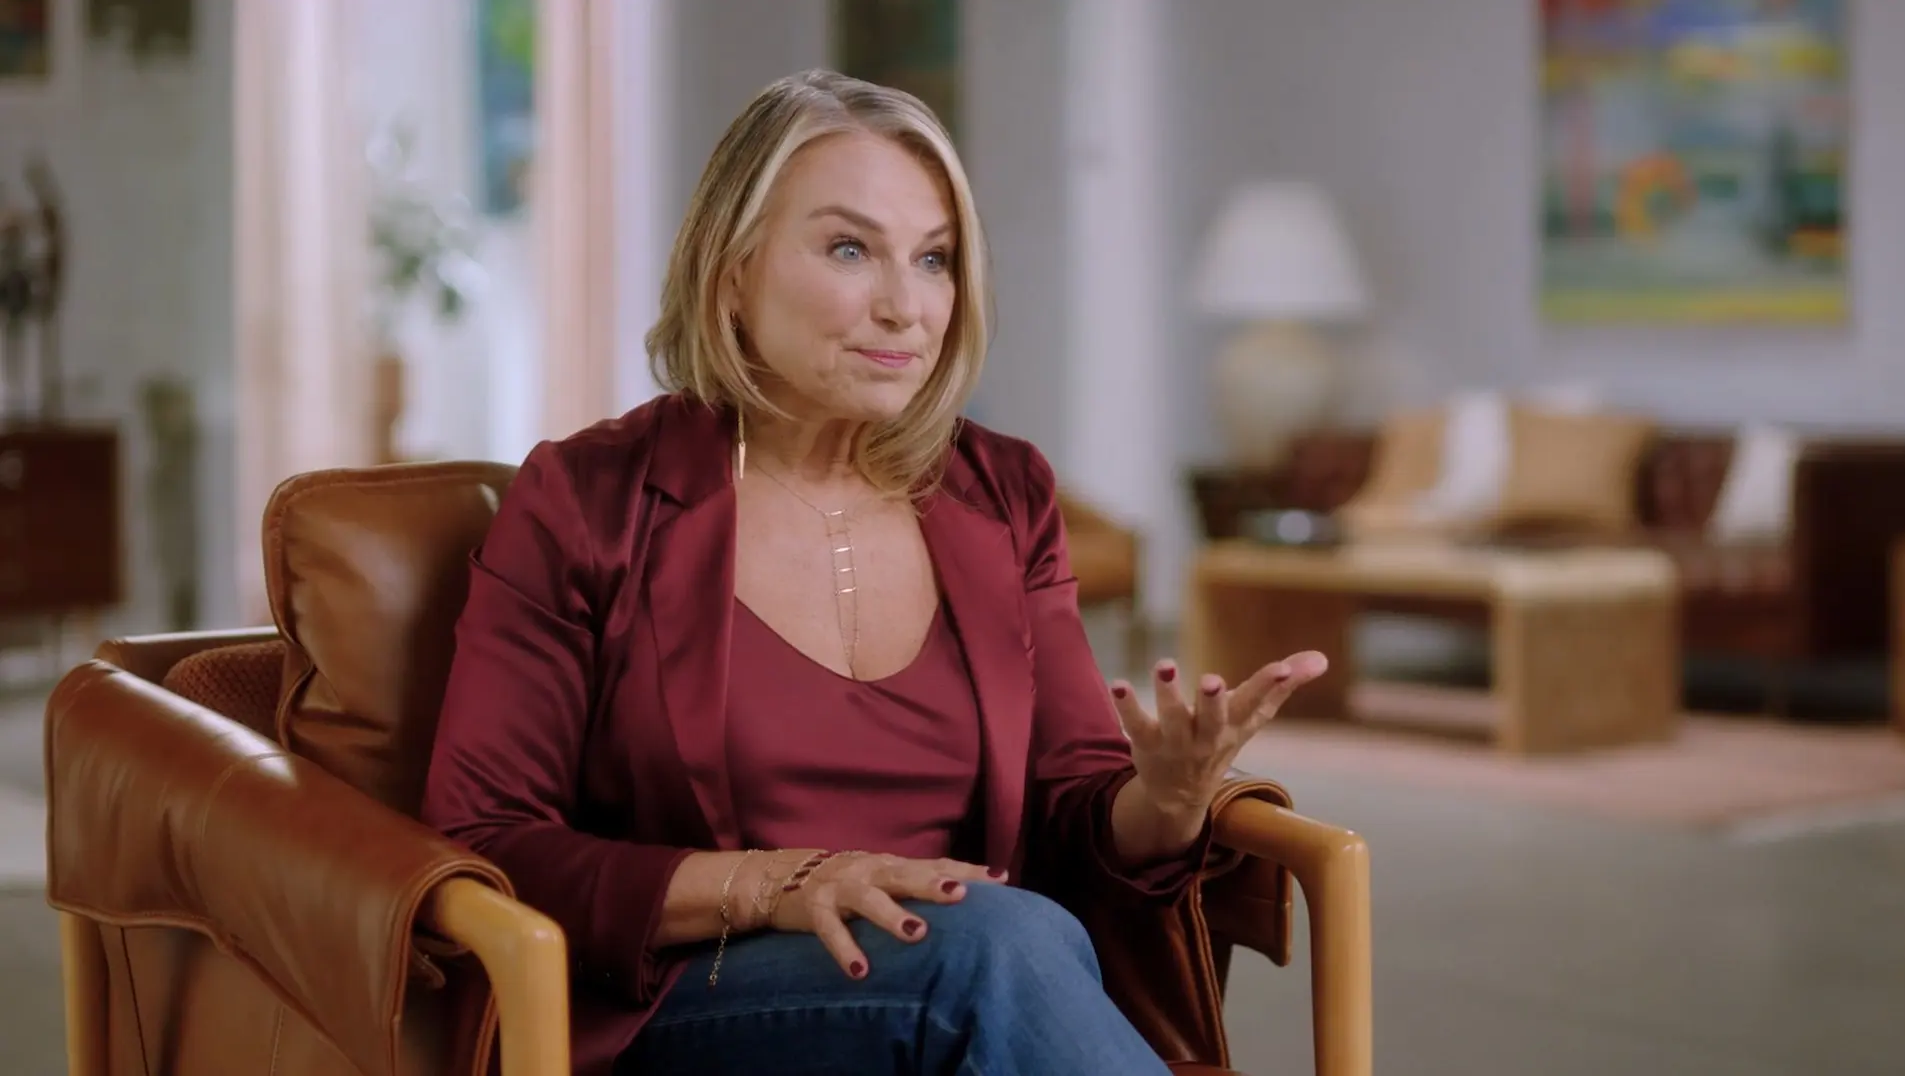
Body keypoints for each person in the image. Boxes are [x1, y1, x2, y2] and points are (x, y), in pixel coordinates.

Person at [422, 69, 1327, 1076]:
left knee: (1001, 944)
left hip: (979, 985)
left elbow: (1073, 807)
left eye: (933, 259)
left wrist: (1164, 801)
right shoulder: (588, 499)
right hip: (688, 1003)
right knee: (992, 948)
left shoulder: (1005, 493)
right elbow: (486, 836)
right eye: (850, 249)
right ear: (733, 271)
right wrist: (775, 884)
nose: (906, 308)